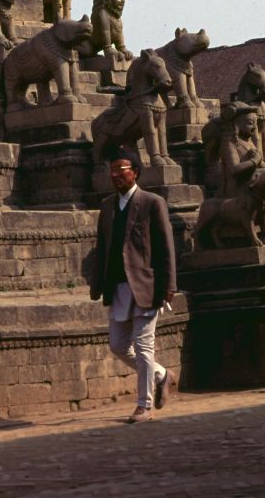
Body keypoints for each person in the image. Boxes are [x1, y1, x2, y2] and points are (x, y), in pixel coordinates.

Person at [89, 145, 177, 423]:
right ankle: (163, 375)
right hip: (117, 286)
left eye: (121, 170)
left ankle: (144, 405)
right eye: (112, 170)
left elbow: (165, 248)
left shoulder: (152, 203)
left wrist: (169, 285)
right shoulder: (107, 207)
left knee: (143, 346)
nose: (115, 175)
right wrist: (96, 282)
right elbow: (102, 248)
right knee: (117, 345)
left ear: (135, 173)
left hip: (146, 285)